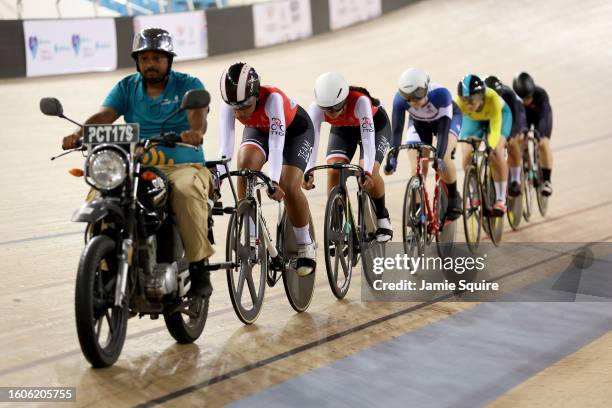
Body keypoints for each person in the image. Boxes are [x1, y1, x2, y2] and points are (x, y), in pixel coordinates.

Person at [61, 28, 214, 298]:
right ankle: (106, 263)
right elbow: (105, 115)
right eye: (144, 59)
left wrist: (195, 133)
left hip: (183, 165)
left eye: (156, 58)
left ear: (169, 60)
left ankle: (199, 266)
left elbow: (198, 115)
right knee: (100, 193)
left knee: (186, 191)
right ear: (137, 62)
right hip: (137, 164)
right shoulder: (127, 87)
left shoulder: (188, 84)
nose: (150, 64)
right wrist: (79, 133)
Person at [217, 62, 316, 276]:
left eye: (245, 107)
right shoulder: (230, 105)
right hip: (260, 130)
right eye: (235, 108)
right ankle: (253, 238)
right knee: (244, 167)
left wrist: (272, 181)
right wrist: (216, 176)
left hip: (294, 133)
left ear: (256, 96)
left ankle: (305, 243)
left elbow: (276, 144)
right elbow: (225, 149)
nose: (240, 113)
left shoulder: (273, 100)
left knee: (288, 185)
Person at [303, 72, 393, 242]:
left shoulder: (360, 102)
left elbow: (367, 139)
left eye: (335, 108)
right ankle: (336, 224)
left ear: (344, 100)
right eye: (326, 110)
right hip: (344, 129)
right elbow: (311, 142)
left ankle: (382, 216)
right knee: (334, 170)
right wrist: (308, 170)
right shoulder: (315, 108)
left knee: (370, 170)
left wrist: (366, 171)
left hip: (374, 126)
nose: (331, 113)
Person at [386, 67, 462, 220]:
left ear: (426, 89)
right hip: (419, 124)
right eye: (408, 98)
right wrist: (392, 157)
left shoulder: (441, 95)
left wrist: (439, 158)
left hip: (447, 121)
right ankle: (418, 211)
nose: (412, 102)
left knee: (444, 156)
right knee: (417, 167)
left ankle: (454, 195)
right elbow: (397, 131)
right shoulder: (399, 100)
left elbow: (442, 134)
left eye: (416, 97)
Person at [455, 74, 512, 216]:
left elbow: (496, 124)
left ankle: (500, 199)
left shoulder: (492, 98)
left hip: (499, 116)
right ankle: (474, 192)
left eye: (472, 100)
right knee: (466, 153)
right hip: (474, 119)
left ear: (481, 96)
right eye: (465, 100)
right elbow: (452, 127)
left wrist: (491, 146)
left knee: (496, 152)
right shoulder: (459, 104)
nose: (468, 104)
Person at [484, 75, 527, 197]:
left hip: (514, 115)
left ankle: (515, 178)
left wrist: (510, 136)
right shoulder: (484, 98)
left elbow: (517, 119)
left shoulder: (509, 96)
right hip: (494, 118)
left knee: (513, 141)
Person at [512, 72, 554, 196]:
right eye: (523, 99)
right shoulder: (513, 98)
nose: (526, 101)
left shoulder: (541, 95)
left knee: (542, 143)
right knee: (518, 139)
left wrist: (540, 135)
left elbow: (544, 116)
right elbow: (516, 119)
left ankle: (547, 180)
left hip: (540, 117)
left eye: (529, 97)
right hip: (523, 117)